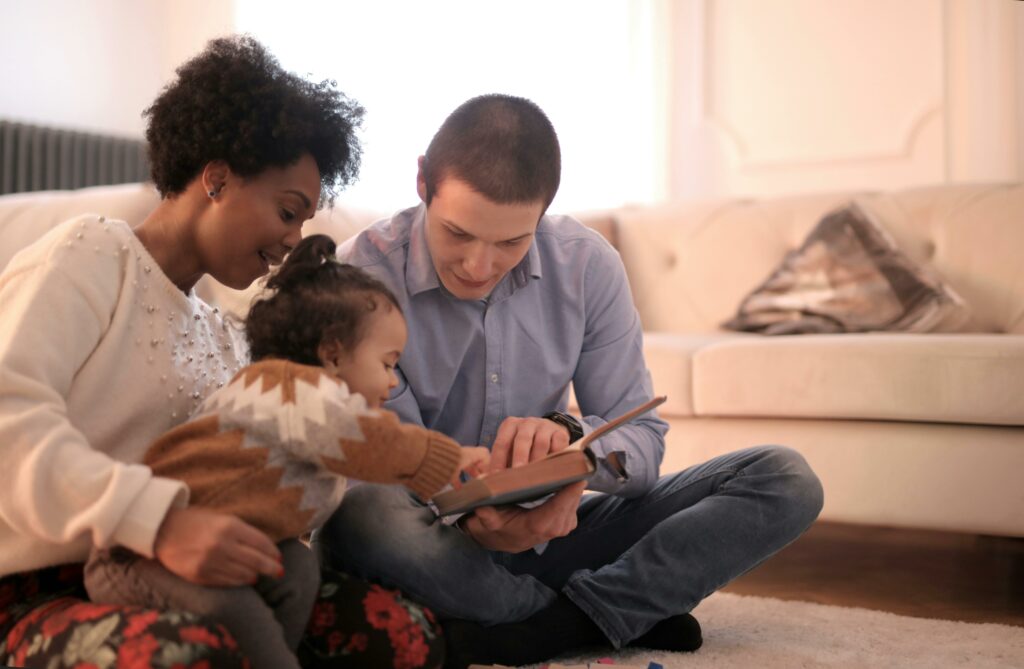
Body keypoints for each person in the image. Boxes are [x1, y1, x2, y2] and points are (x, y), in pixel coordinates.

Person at [314, 93, 825, 668]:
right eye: (458, 233)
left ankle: (555, 625)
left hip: (555, 534)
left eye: (510, 241)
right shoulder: (357, 279)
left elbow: (643, 444)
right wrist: (472, 519)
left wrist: (574, 454)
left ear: (544, 212)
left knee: (782, 479)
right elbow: (374, 466)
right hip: (429, 544)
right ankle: (602, 613)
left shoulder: (587, 265)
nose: (478, 266)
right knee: (361, 517)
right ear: (422, 182)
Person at [0, 35, 443, 669]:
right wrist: (163, 523)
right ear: (216, 177)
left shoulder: (226, 332)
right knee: (201, 653)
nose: (294, 241)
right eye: (288, 212)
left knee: (403, 636)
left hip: (189, 581)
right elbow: (7, 422)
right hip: (35, 587)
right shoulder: (92, 255)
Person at [83, 234, 490, 669]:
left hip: (222, 551)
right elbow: (368, 439)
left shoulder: (298, 408)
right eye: (387, 364)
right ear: (332, 354)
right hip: (134, 558)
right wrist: (445, 459)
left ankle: (275, 654)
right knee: (236, 612)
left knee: (296, 566)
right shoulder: (290, 391)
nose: (393, 381)